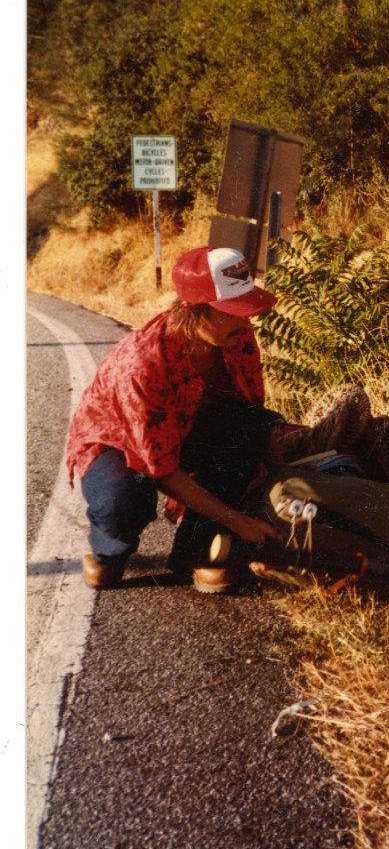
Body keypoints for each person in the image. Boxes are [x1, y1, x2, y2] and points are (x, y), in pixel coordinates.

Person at [65, 245, 368, 593]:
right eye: (233, 312)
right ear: (194, 312)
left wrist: (286, 483)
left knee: (248, 429)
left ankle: (196, 549)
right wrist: (239, 523)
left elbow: (253, 419)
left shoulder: (235, 336)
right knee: (124, 499)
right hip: (118, 442)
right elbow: (161, 470)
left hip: (188, 426)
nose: (246, 321)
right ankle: (107, 551)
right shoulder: (143, 364)